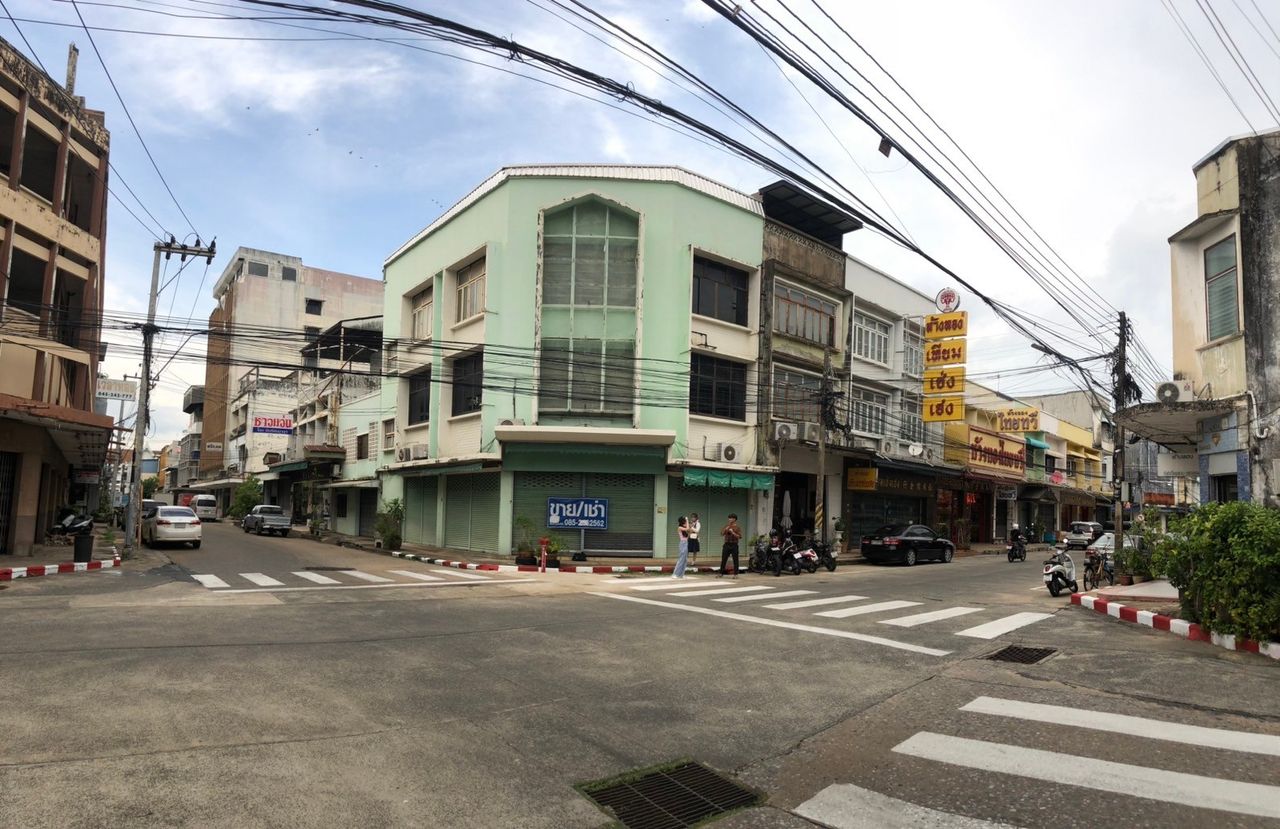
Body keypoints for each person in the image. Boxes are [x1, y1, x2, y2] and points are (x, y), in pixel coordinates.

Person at [718, 513, 743, 578]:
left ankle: (736, 574)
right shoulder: (726, 526)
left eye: (731, 518)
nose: (730, 519)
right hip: (726, 544)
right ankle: (720, 573)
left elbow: (740, 536)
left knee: (735, 560)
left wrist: (733, 532)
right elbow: (721, 534)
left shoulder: (737, 527)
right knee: (724, 559)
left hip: (734, 545)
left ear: (735, 519)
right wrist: (726, 529)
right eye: (729, 518)